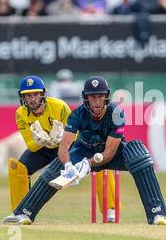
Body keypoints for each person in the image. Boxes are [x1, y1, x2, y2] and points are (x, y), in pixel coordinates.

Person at [4, 76, 166, 226]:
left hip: (110, 153)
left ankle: (157, 213)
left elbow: (110, 152)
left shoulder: (117, 114)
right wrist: (68, 165)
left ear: (106, 96)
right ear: (85, 98)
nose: (97, 102)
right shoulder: (77, 114)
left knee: (138, 155)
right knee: (54, 170)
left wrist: (88, 164)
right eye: (92, 97)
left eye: (100, 97)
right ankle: (24, 213)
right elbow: (64, 146)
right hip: (83, 149)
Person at [8, 76, 119, 222]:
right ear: (22, 97)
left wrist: (62, 139)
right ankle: (19, 212)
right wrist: (42, 141)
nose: (33, 99)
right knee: (18, 167)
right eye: (28, 95)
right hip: (44, 149)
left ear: (42, 94)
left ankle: (110, 210)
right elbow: (31, 145)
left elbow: (77, 134)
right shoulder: (20, 114)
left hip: (68, 146)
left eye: (36, 94)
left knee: (100, 163)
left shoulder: (59, 106)